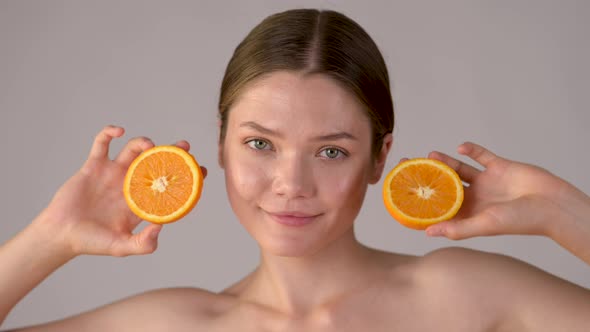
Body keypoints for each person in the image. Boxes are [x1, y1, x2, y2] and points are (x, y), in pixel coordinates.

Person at [1, 8, 589, 332]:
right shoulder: (174, 325)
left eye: (331, 150)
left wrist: (565, 214)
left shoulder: (466, 297)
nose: (291, 184)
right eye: (260, 144)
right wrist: (50, 238)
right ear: (222, 146)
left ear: (379, 158)